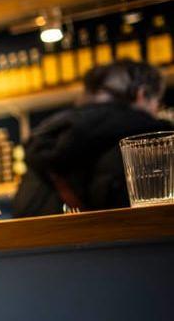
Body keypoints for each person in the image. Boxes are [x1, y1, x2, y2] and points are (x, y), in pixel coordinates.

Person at [13, 59, 172, 216]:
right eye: (158, 102)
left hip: (33, 230)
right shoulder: (146, 132)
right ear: (141, 94)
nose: (157, 110)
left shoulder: (53, 129)